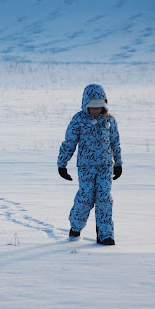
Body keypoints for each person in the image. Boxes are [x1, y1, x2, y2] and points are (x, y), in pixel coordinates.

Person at [57, 84, 123, 245]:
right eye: (92, 107)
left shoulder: (109, 120)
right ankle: (76, 227)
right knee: (85, 198)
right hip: (86, 167)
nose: (95, 110)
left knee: (104, 198)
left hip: (105, 167)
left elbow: (115, 142)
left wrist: (118, 163)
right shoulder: (78, 120)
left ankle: (105, 235)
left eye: (98, 107)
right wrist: (62, 164)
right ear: (85, 105)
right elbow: (69, 142)